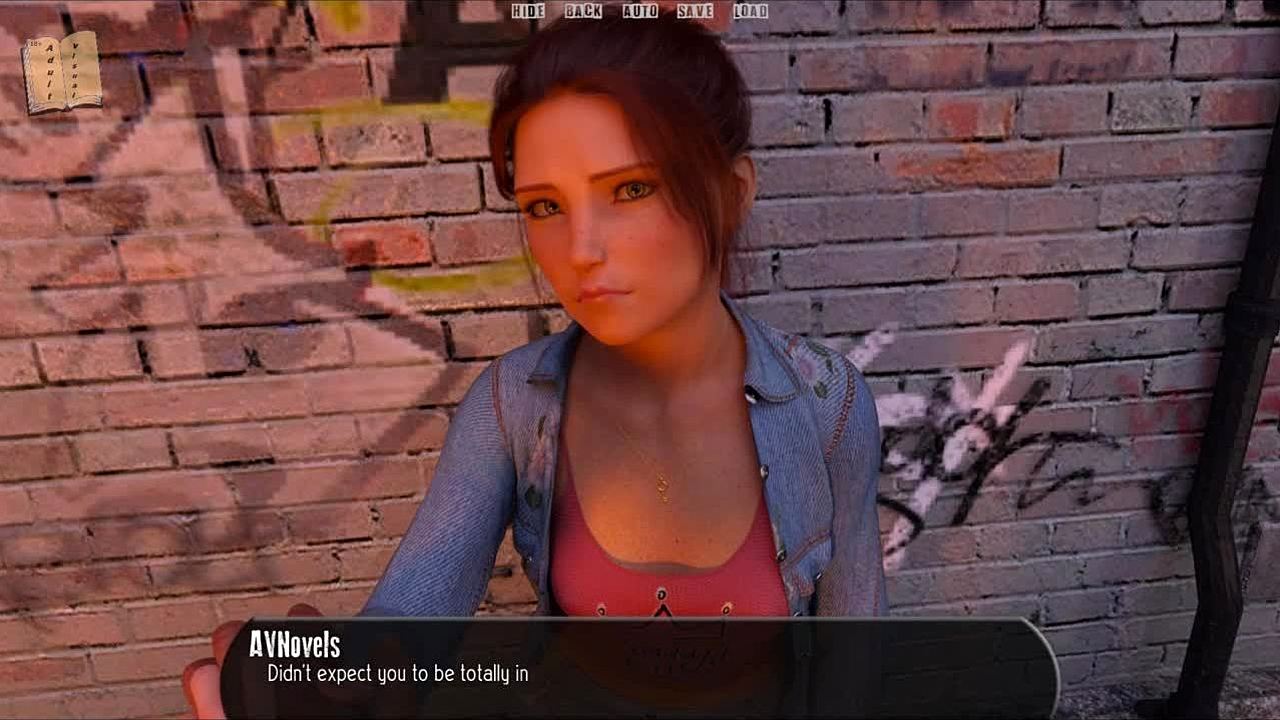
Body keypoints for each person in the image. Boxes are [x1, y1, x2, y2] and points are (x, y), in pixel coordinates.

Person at [183, 6, 886, 716]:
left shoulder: (827, 404)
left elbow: (853, 659)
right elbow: (410, 622)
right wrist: (326, 672)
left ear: (731, 194)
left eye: (631, 189)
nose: (581, 250)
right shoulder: (513, 402)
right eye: (545, 206)